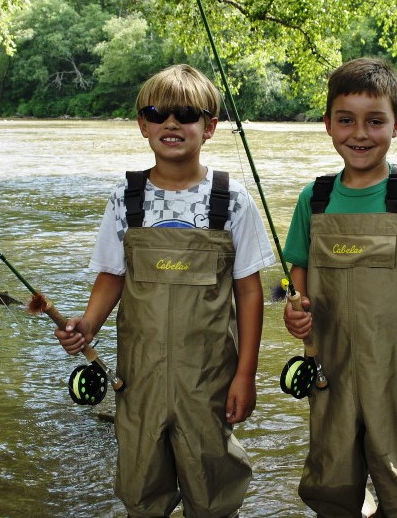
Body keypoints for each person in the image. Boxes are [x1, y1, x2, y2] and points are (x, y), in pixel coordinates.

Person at [55, 64, 276, 518]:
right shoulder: (126, 197)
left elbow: (250, 293)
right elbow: (112, 276)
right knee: (140, 484)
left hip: (209, 377)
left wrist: (245, 375)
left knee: (212, 483)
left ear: (209, 126)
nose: (170, 123)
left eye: (186, 114)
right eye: (157, 113)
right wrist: (87, 324)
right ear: (142, 125)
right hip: (139, 378)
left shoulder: (232, 198)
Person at [283, 57, 397, 518]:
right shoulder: (313, 197)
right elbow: (296, 273)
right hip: (328, 369)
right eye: (346, 120)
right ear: (328, 124)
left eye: (375, 121)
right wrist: (295, 311)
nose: (359, 134)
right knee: (331, 478)